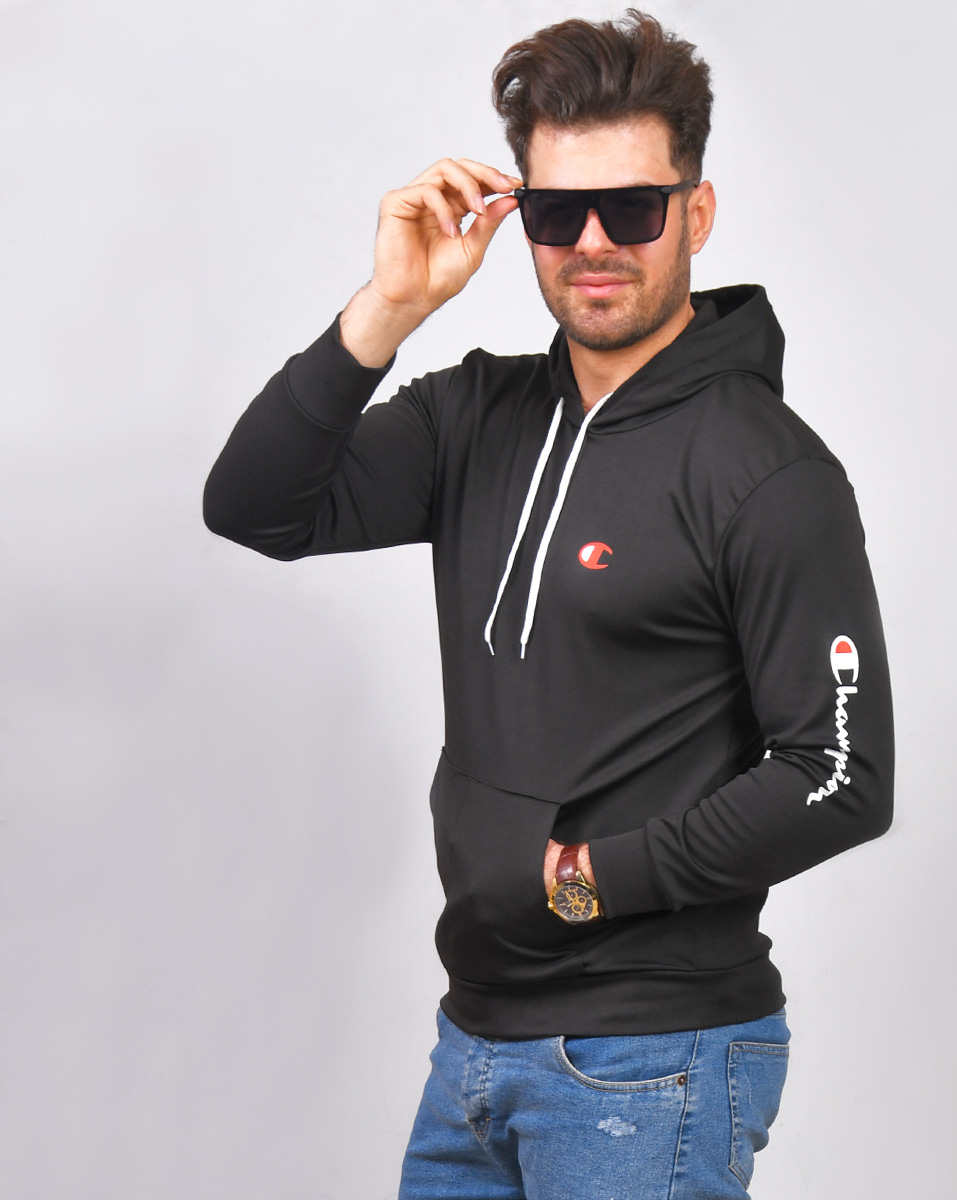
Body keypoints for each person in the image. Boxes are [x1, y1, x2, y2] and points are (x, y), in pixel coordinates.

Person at [203, 10, 894, 1198]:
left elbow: (841, 773)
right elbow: (256, 506)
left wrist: (584, 879)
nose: (594, 242)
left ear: (696, 214)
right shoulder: (473, 415)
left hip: (654, 1059)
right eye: (558, 213)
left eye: (632, 208)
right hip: (475, 1043)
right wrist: (390, 307)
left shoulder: (767, 472)